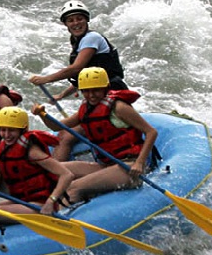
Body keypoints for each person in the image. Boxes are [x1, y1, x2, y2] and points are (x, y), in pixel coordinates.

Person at [33, 67, 157, 205]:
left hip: (129, 167)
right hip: (106, 165)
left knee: (72, 187)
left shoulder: (119, 107)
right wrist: (42, 115)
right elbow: (57, 126)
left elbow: (151, 132)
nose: (91, 95)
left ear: (106, 88)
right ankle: (37, 207)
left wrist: (140, 162)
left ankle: (63, 219)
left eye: (96, 90)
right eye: (86, 91)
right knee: (55, 170)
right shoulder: (86, 108)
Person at [29, 0, 128, 160]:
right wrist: (62, 95)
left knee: (65, 136)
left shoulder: (92, 38)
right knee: (64, 132)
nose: (76, 23)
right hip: (98, 95)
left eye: (79, 18)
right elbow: (84, 77)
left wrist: (45, 79)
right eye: (71, 20)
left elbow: (77, 67)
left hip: (111, 96)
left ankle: (57, 175)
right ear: (66, 24)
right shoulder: (79, 42)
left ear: (86, 20)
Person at [0, 106, 75, 216]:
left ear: (22, 130)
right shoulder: (5, 146)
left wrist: (51, 200)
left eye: (11, 130)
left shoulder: (32, 152)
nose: (6, 135)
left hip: (40, 203)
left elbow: (67, 175)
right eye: (3, 130)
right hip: (22, 199)